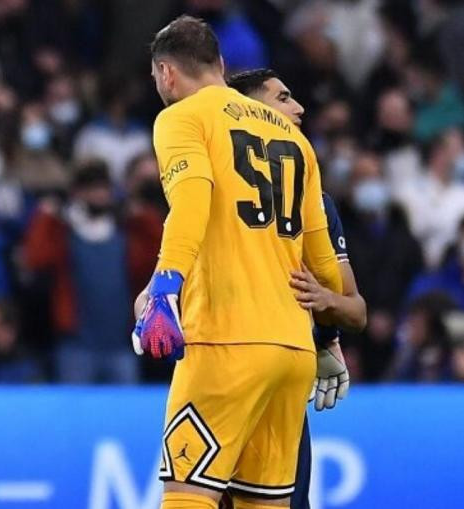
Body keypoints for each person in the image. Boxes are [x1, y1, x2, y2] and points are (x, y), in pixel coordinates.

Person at [132, 16, 343, 509]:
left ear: (166, 74)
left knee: (188, 497)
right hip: (292, 351)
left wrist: (165, 287)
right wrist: (330, 333)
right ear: (221, 65)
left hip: (225, 341)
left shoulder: (182, 118)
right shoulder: (297, 142)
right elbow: (324, 261)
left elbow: (192, 201)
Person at [227, 68, 368, 509]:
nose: (299, 108)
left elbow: (356, 309)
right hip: (222, 368)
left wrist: (326, 316)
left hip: (281, 381)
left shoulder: (316, 199)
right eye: (284, 98)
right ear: (251, 113)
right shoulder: (212, 183)